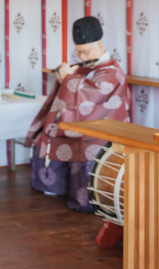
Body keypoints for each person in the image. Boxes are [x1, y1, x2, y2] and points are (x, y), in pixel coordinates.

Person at [25, 16, 130, 212]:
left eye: (86, 51)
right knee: (47, 133)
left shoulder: (112, 71)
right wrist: (67, 77)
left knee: (77, 142)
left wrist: (68, 78)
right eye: (78, 52)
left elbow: (93, 93)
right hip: (85, 124)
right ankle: (56, 188)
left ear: (99, 45)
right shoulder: (89, 66)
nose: (82, 57)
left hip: (102, 129)